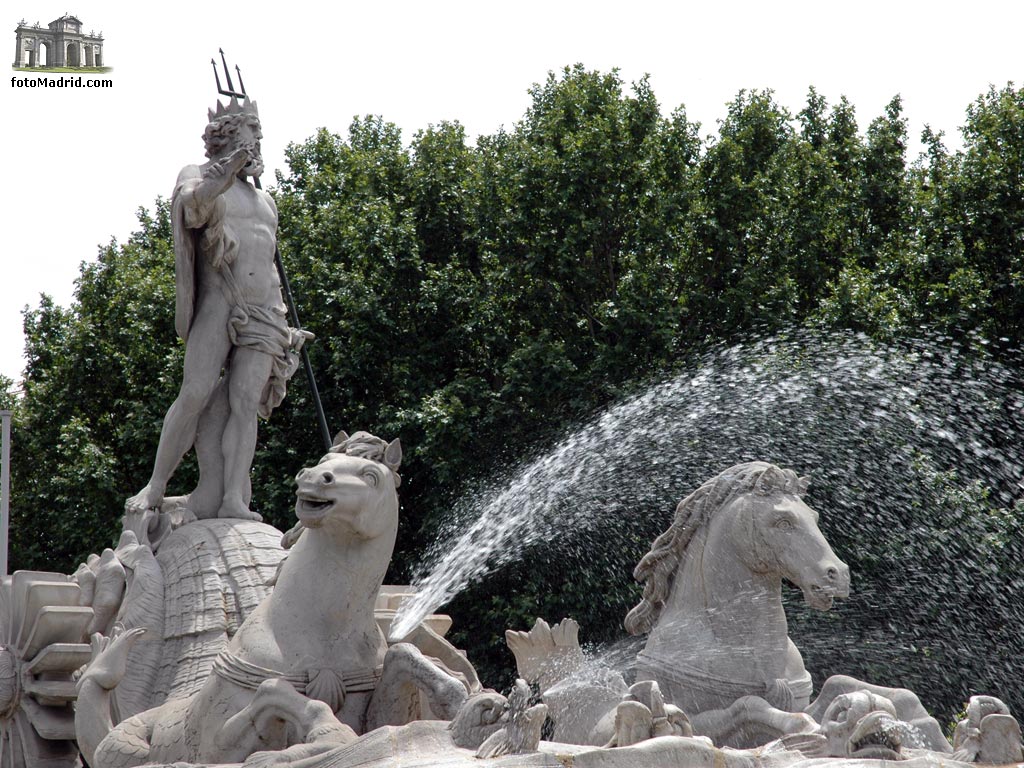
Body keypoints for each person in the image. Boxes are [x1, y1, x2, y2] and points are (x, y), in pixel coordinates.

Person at [127, 97, 307, 521]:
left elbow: (268, 263)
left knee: (246, 403)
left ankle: (232, 499)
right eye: (253, 134)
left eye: (260, 135)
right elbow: (192, 208)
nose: (260, 142)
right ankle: (156, 485)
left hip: (265, 312)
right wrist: (222, 175)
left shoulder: (267, 202)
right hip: (219, 300)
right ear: (229, 135)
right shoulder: (198, 175)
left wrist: (287, 325)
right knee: (195, 392)